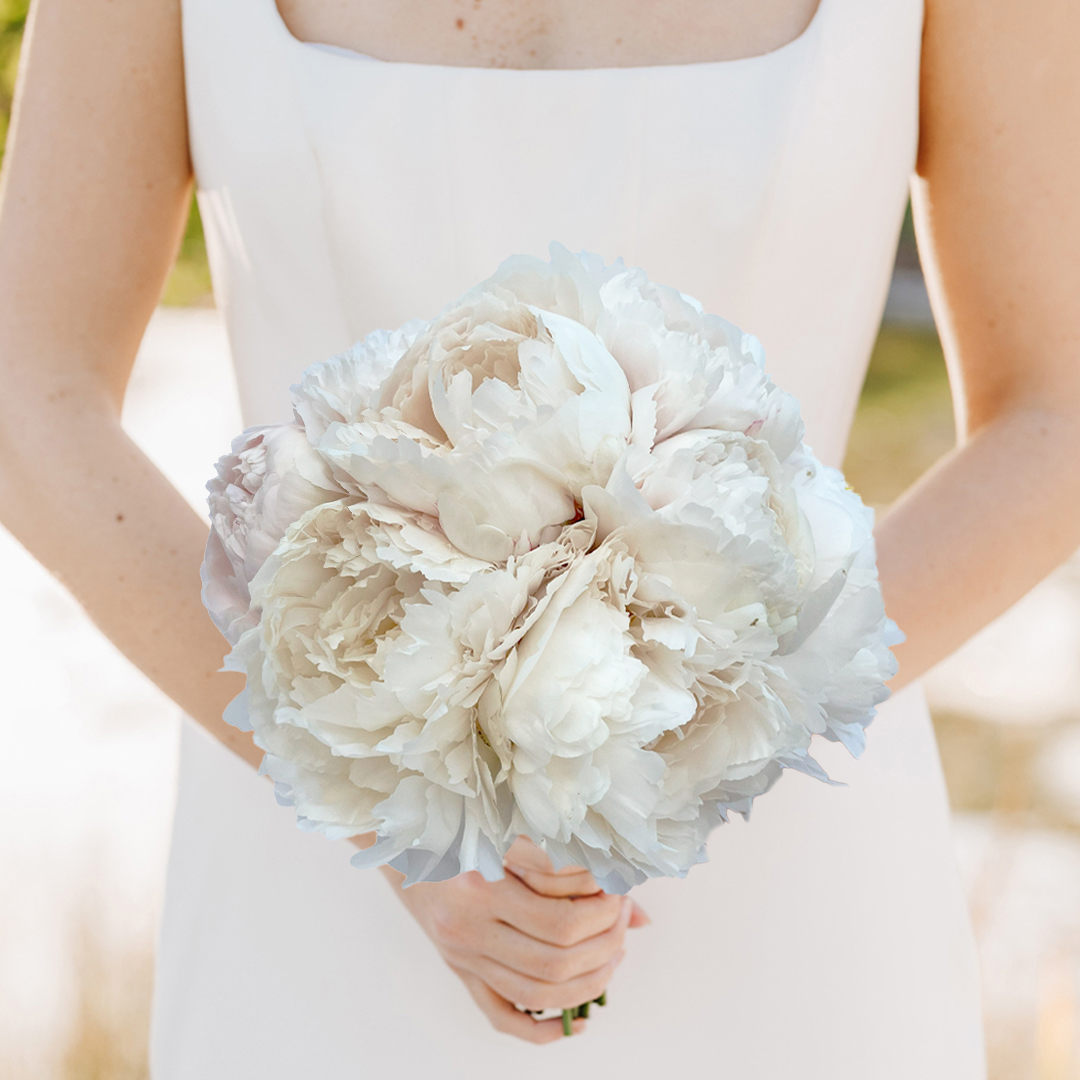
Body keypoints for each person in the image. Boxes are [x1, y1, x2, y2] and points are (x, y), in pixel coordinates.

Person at [1, 0, 1077, 1075]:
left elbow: (1055, 412)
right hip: (318, 874)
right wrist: (377, 798)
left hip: (788, 853)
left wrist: (688, 730)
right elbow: (28, 397)